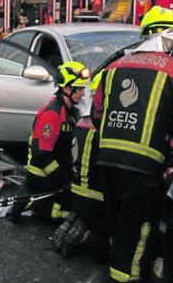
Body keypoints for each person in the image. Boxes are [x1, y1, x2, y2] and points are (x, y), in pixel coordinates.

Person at [91, 6, 173, 283]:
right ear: (168, 36)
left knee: (119, 220)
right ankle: (126, 278)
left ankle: (116, 268)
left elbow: (97, 114)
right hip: (143, 166)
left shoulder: (115, 67)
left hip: (106, 160)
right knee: (141, 226)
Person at [10, 61, 91, 223]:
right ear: (67, 88)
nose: (83, 93)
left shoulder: (71, 111)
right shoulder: (52, 114)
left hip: (60, 172)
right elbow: (41, 153)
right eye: (80, 88)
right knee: (67, 214)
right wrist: (63, 180)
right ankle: (41, 209)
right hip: (43, 176)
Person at [52, 74, 109, 261]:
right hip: (96, 197)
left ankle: (76, 223)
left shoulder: (81, 120)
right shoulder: (104, 127)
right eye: (79, 88)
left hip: (76, 190)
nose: (82, 93)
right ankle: (89, 237)